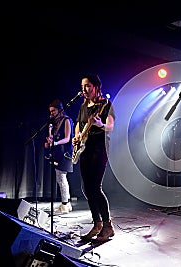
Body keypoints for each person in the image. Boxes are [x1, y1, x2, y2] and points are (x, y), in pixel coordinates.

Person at [72, 73, 115, 242]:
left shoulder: (105, 104)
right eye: (83, 86)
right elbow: (78, 124)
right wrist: (76, 137)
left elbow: (110, 126)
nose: (84, 89)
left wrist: (100, 124)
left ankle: (108, 225)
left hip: (99, 149)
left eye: (88, 86)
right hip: (85, 149)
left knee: (95, 187)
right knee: (86, 188)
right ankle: (97, 223)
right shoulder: (83, 106)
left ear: (96, 87)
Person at [44, 99, 74, 215]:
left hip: (65, 153)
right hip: (57, 152)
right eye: (50, 111)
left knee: (61, 178)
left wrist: (55, 143)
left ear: (59, 109)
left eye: (53, 110)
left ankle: (65, 205)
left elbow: (67, 138)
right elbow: (52, 138)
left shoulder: (66, 120)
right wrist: (50, 138)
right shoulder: (54, 123)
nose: (51, 113)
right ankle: (67, 204)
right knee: (60, 178)